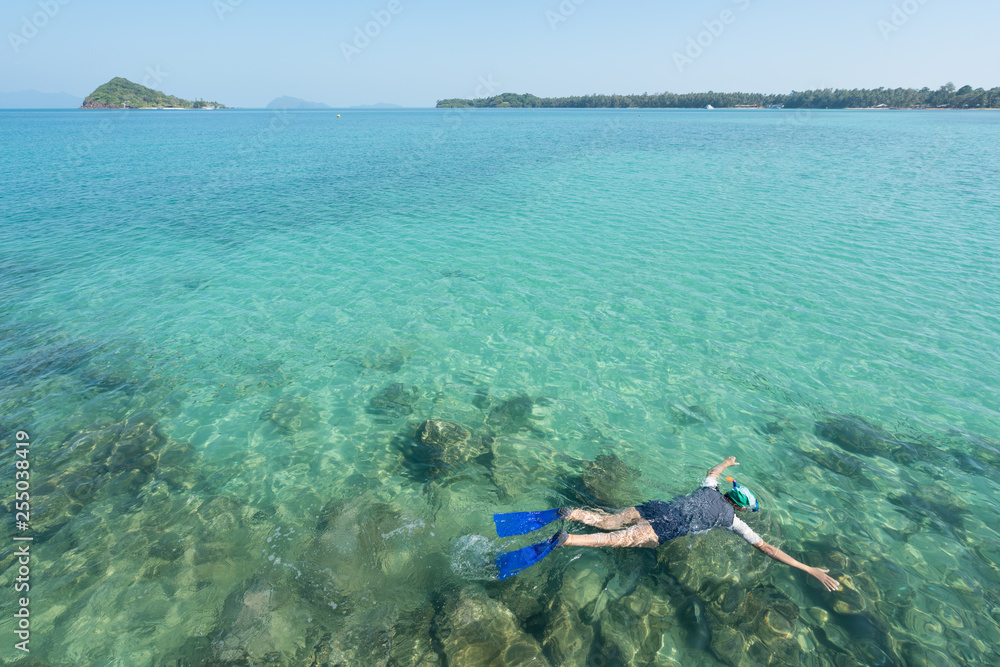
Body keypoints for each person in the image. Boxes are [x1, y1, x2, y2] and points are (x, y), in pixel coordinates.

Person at [494, 456, 841, 591]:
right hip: (663, 530)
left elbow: (711, 473)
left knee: (606, 520)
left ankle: (570, 514)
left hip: (654, 507)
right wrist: (807, 568)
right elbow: (767, 548)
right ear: (742, 510)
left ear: (729, 492)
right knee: (613, 541)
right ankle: (570, 540)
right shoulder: (734, 522)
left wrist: (727, 462)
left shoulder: (710, 488)